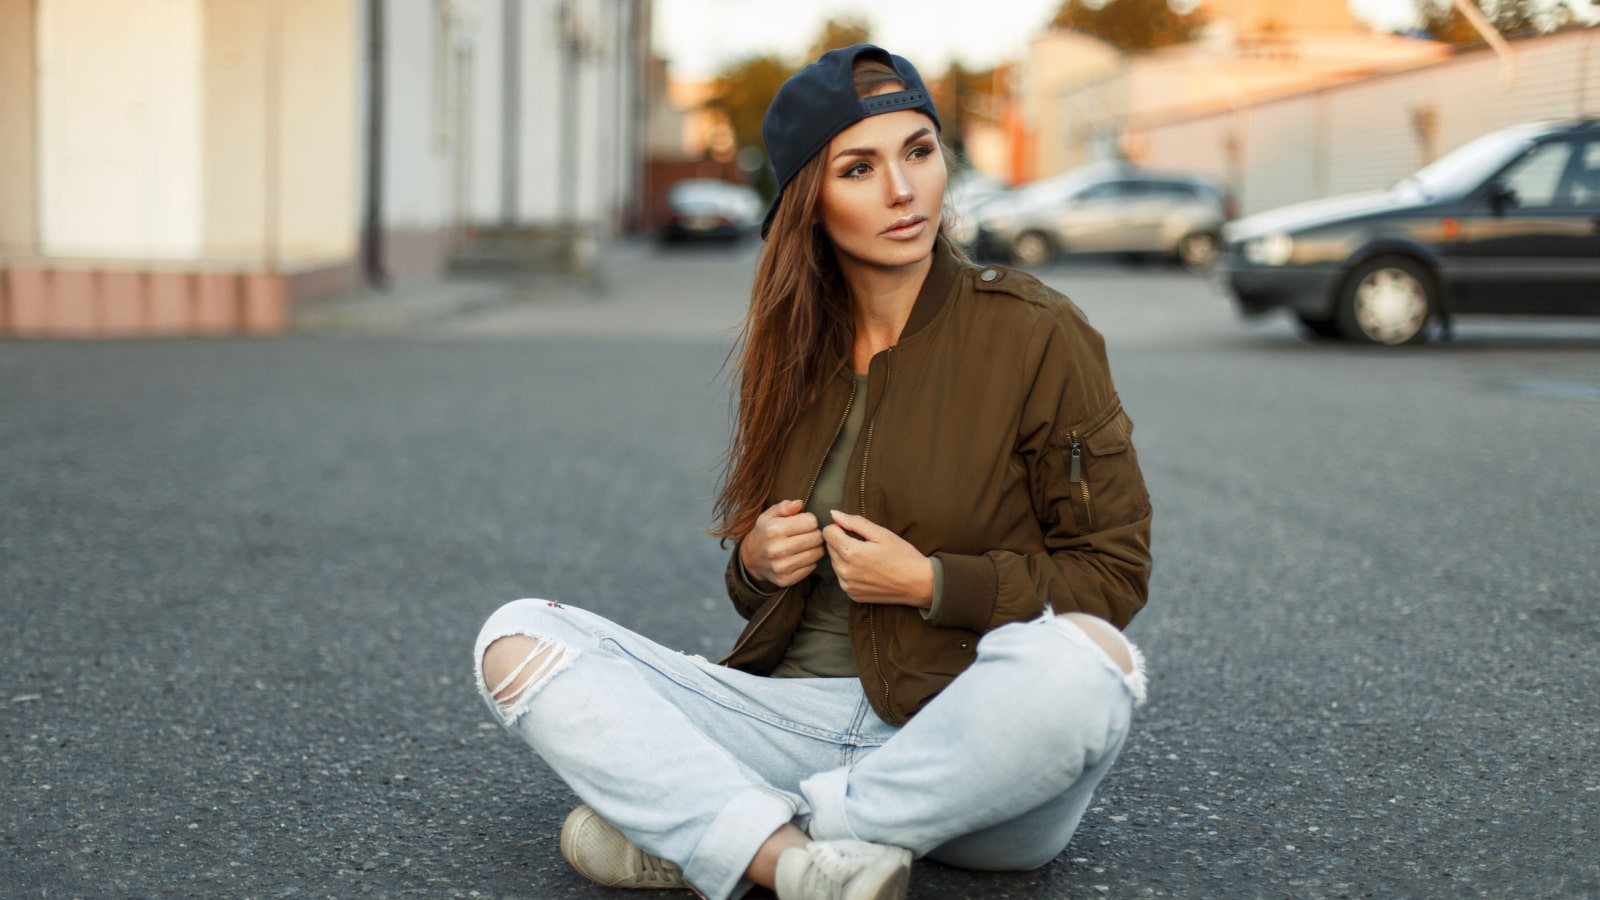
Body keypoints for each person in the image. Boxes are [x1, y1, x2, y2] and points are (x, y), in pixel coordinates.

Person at [473, 44, 1153, 900]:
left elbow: (1112, 573)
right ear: (809, 201)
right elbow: (763, 595)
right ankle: (793, 865)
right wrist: (756, 564)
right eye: (859, 167)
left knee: (1094, 662)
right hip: (792, 713)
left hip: (968, 734)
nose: (903, 191)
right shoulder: (795, 350)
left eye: (918, 150)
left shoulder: (1036, 334)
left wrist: (935, 583)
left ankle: (743, 827)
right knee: (517, 635)